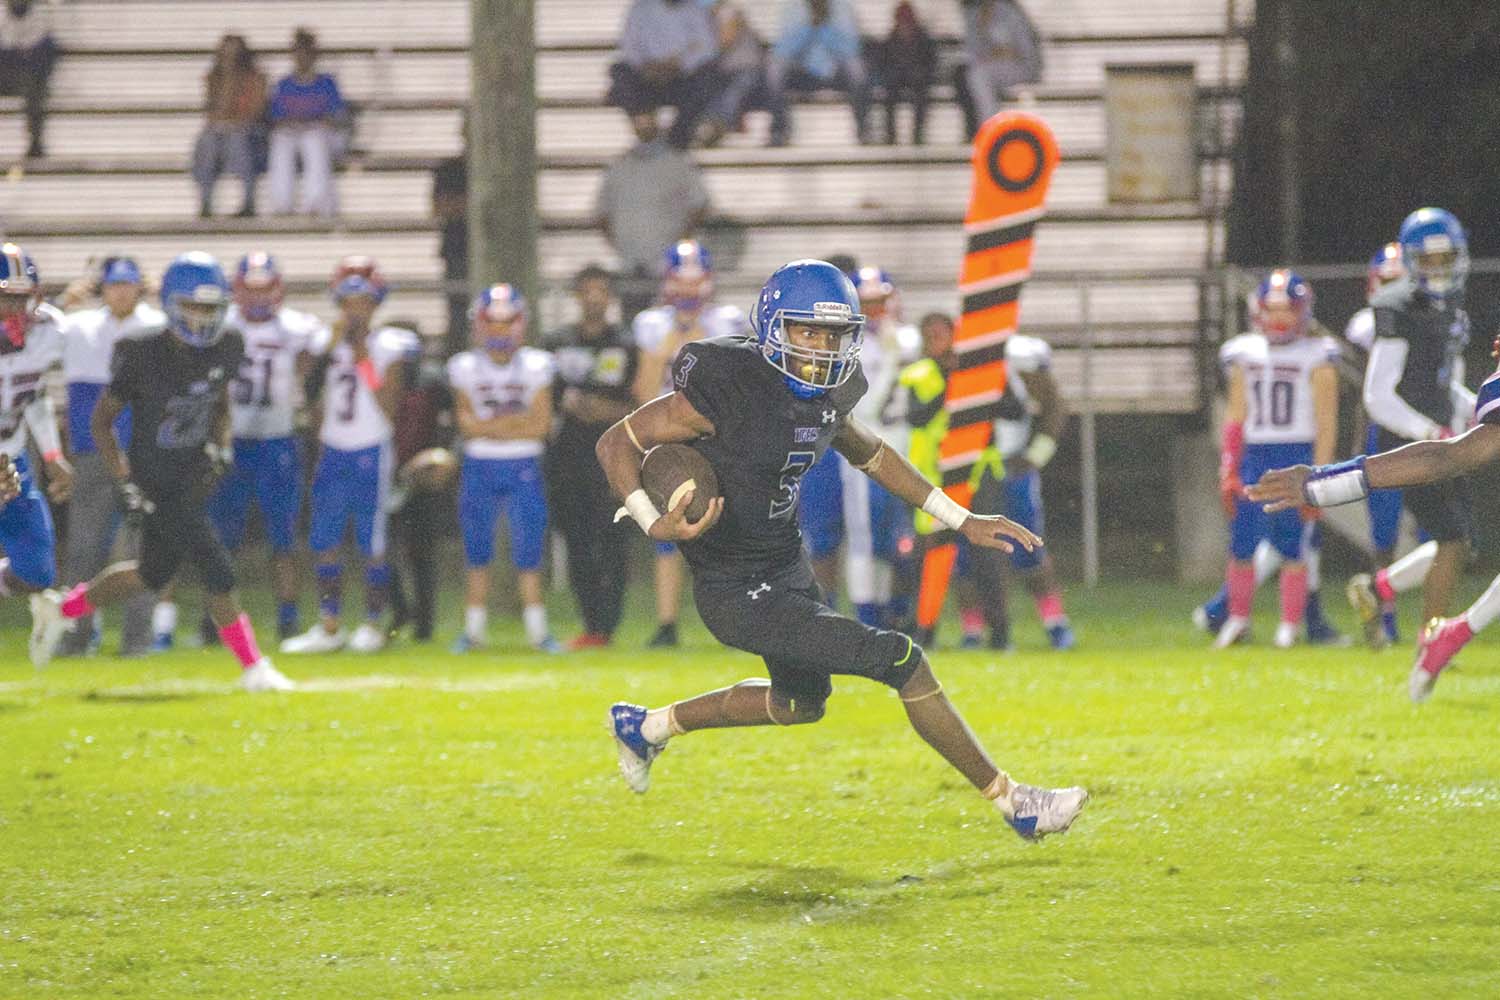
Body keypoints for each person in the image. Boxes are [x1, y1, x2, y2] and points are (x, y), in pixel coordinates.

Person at [600, 258, 1087, 840]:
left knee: (800, 704)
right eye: (807, 331)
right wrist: (653, 522)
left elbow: (870, 452)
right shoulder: (726, 388)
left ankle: (647, 727)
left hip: (786, 565)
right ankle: (1015, 802)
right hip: (737, 591)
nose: (820, 348)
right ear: (773, 328)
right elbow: (617, 442)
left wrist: (961, 519)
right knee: (901, 658)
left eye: (833, 335)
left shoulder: (830, 392)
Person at [29, 252, 293, 693]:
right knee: (219, 570)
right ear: (172, 303)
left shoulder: (228, 344)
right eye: (194, 306)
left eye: (210, 308)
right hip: (156, 478)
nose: (203, 317)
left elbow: (220, 403)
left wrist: (222, 444)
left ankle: (63, 609)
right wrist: (123, 476)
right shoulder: (142, 351)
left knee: (149, 574)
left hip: (191, 475)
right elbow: (101, 421)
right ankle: (254, 666)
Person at [1250, 339, 1500, 701]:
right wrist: (1322, 485)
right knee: (1453, 540)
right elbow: (1447, 458)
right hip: (1405, 441)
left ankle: (1453, 632)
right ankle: (1449, 631)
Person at [1344, 207, 1474, 641]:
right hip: (1405, 442)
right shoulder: (1397, 307)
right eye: (1428, 259)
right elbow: (1377, 394)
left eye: (1445, 258)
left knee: (1451, 538)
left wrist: (1479, 411)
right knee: (1451, 538)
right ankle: (1428, 638)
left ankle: (1381, 590)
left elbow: (1445, 386)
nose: (1437, 269)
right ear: (1412, 260)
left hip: (1435, 440)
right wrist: (1429, 431)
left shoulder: (1451, 309)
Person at [281, 257, 418, 655]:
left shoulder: (388, 345)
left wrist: (360, 356)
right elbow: (305, 392)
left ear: (376, 303)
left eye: (363, 301)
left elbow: (387, 402)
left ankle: (374, 624)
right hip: (332, 450)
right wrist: (328, 351)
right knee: (324, 538)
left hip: (371, 450)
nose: (354, 309)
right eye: (348, 300)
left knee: (371, 541)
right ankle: (329, 625)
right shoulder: (324, 343)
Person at [631, 240, 751, 647]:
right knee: (669, 531)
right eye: (680, 284)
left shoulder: (727, 322)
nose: (686, 292)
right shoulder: (652, 325)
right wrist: (677, 338)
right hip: (669, 437)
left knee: (726, 532)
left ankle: (737, 622)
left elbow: (736, 390)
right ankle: (667, 623)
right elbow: (645, 388)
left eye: (693, 283)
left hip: (717, 437)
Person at [201, 253, 326, 641]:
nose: (257, 297)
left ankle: (288, 618)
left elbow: (321, 353)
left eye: (264, 288)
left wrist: (304, 383)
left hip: (279, 440)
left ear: (278, 290)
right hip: (232, 440)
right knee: (221, 539)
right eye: (250, 289)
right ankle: (216, 620)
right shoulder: (221, 327)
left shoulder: (297, 327)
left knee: (283, 538)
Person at [1211, 270, 1338, 649]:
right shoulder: (1245, 352)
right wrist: (1228, 466)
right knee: (1241, 542)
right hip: (1256, 453)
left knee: (1293, 545)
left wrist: (1320, 475)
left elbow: (1326, 422)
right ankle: (1237, 619)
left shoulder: (1318, 355)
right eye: (1272, 310)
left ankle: (1289, 625)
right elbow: (1235, 414)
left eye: (1287, 311)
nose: (1279, 319)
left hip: (1296, 453)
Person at [447, 285, 559, 654]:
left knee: (528, 550)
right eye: (492, 323)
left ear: (520, 324)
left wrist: (491, 424)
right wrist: (514, 422)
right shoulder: (464, 366)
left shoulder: (537, 364)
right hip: (480, 464)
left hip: (523, 462)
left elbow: (540, 425)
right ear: (479, 325)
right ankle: (474, 631)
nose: (499, 331)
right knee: (477, 550)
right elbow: (467, 425)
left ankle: (538, 633)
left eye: (506, 322)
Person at [57, 257, 159, 657]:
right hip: (92, 452)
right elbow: (29, 335)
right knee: (83, 548)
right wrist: (64, 302)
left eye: (128, 284)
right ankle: (74, 634)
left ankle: (137, 640)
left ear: (139, 286)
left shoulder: (155, 326)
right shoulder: (78, 325)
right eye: (114, 284)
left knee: (140, 551)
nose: (120, 292)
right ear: (103, 288)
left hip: (141, 453)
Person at [899, 311, 1011, 648]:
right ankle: (925, 631)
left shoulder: (981, 369)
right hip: (938, 479)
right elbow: (917, 417)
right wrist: (952, 381)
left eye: (941, 334)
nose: (936, 341)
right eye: (929, 335)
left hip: (979, 473)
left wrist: (979, 380)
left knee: (988, 555)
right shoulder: (919, 374)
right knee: (933, 555)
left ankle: (1001, 634)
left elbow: (1014, 409)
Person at [1343, 242, 1436, 648]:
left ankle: (1430, 626)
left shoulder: (1431, 315)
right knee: (1383, 534)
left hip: (1427, 428)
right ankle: (1385, 620)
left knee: (1441, 532)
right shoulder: (1369, 322)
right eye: (1387, 281)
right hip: (1386, 430)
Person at [545, 265, 642, 649]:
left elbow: (638, 403)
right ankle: (591, 624)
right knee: (577, 542)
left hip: (614, 458)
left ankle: (609, 623)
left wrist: (597, 408)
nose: (594, 298)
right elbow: (547, 399)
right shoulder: (554, 343)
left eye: (602, 291)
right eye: (587, 291)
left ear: (611, 297)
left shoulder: (627, 344)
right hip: (568, 458)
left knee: (614, 540)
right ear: (576, 295)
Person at [989, 330, 1077, 649]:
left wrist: (1034, 457)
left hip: (1011, 467)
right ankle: (974, 631)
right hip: (969, 468)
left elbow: (1054, 406)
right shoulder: (958, 347)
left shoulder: (1018, 354)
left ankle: (1055, 624)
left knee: (1028, 547)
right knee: (967, 558)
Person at [0, 243, 71, 615]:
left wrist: (52, 454)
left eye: (20, 298)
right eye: (3, 299)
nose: (12, 310)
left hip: (11, 459)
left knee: (37, 571)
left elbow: (34, 395)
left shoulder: (48, 331)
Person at [596, 114, 712, 322]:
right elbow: (601, 213)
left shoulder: (678, 163)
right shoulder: (619, 166)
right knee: (632, 328)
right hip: (630, 266)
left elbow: (700, 205)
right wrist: (621, 246)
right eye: (638, 117)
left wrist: (680, 246)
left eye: (647, 116)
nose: (643, 123)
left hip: (668, 269)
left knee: (675, 325)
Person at [606, 0, 724, 150]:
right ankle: (644, 121)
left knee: (709, 77)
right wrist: (649, 66)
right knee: (619, 70)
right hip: (647, 78)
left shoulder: (694, 10)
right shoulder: (640, 9)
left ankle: (679, 133)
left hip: (681, 79)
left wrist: (680, 64)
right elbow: (629, 47)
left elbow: (708, 49)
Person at [766, 0, 871, 147]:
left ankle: (864, 129)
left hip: (835, 70)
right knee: (774, 69)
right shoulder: (793, 7)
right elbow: (783, 50)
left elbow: (851, 49)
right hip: (803, 71)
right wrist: (810, 25)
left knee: (856, 68)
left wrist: (824, 26)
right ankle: (779, 130)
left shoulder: (842, 7)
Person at [266, 28, 345, 218]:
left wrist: (313, 122)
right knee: (280, 143)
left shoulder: (327, 83)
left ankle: (316, 204)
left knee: (314, 141)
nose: (302, 58)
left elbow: (337, 115)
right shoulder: (284, 84)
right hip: (293, 133)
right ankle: (282, 204)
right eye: (298, 53)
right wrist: (294, 124)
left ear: (314, 55)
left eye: (306, 53)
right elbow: (276, 118)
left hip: (323, 134)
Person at [191, 34, 268, 219]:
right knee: (207, 141)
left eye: (234, 54)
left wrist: (232, 123)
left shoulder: (256, 78)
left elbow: (256, 112)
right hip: (222, 130)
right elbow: (212, 112)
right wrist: (228, 81)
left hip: (248, 131)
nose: (230, 58)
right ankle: (206, 202)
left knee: (238, 140)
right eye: (226, 54)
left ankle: (248, 202)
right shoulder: (214, 79)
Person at [955, 0, 1042, 140]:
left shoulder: (1009, 12)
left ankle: (991, 131)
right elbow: (973, 53)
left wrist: (1001, 53)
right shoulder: (973, 14)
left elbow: (1026, 51)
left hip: (1020, 66)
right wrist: (982, 31)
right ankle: (983, 129)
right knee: (970, 74)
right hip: (991, 68)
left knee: (978, 75)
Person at [872, 1, 937, 145]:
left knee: (922, 94)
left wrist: (921, 73)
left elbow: (931, 62)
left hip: (918, 78)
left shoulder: (923, 38)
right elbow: (882, 63)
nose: (905, 24)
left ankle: (918, 135)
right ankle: (890, 136)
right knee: (889, 93)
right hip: (896, 79)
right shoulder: (890, 38)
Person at [0, 0, 58, 159]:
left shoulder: (41, 19)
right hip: (5, 76)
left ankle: (35, 143)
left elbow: (48, 56)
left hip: (29, 80)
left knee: (35, 91)